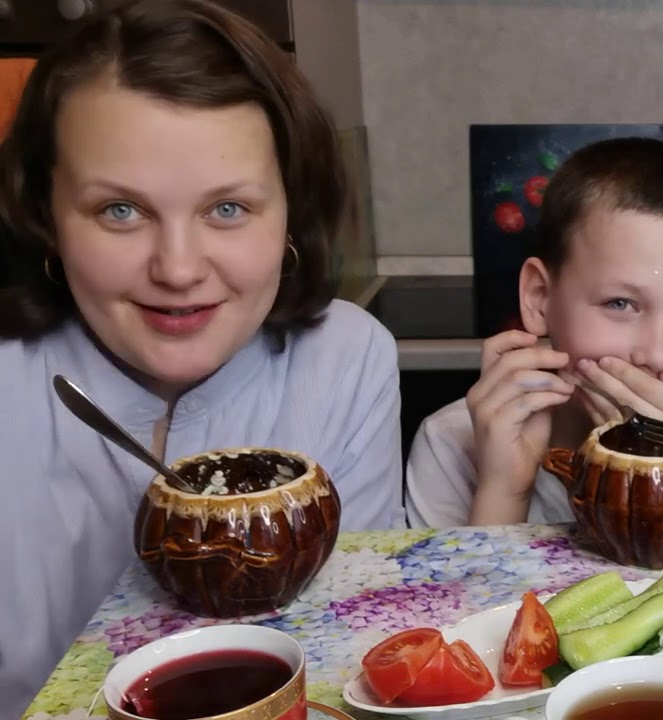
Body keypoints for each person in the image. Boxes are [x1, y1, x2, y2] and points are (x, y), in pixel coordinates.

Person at [0, 1, 404, 714]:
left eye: (227, 209)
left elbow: (355, 643)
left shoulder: (346, 359)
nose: (179, 270)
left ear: (291, 209)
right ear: (45, 214)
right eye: (120, 210)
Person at [406, 137, 663, 527]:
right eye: (620, 304)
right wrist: (505, 490)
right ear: (540, 298)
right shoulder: (450, 444)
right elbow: (474, 576)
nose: (657, 354)